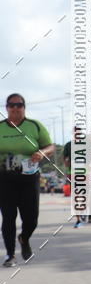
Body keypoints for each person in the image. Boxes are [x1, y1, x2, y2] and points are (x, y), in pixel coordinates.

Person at [0, 94, 54, 266]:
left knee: (31, 218)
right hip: (5, 178)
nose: (15, 108)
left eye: (19, 105)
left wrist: (42, 153)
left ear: (24, 107)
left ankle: (24, 238)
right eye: (11, 105)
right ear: (6, 108)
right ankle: (10, 255)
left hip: (29, 178)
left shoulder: (34, 126)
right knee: (8, 217)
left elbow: (50, 145)